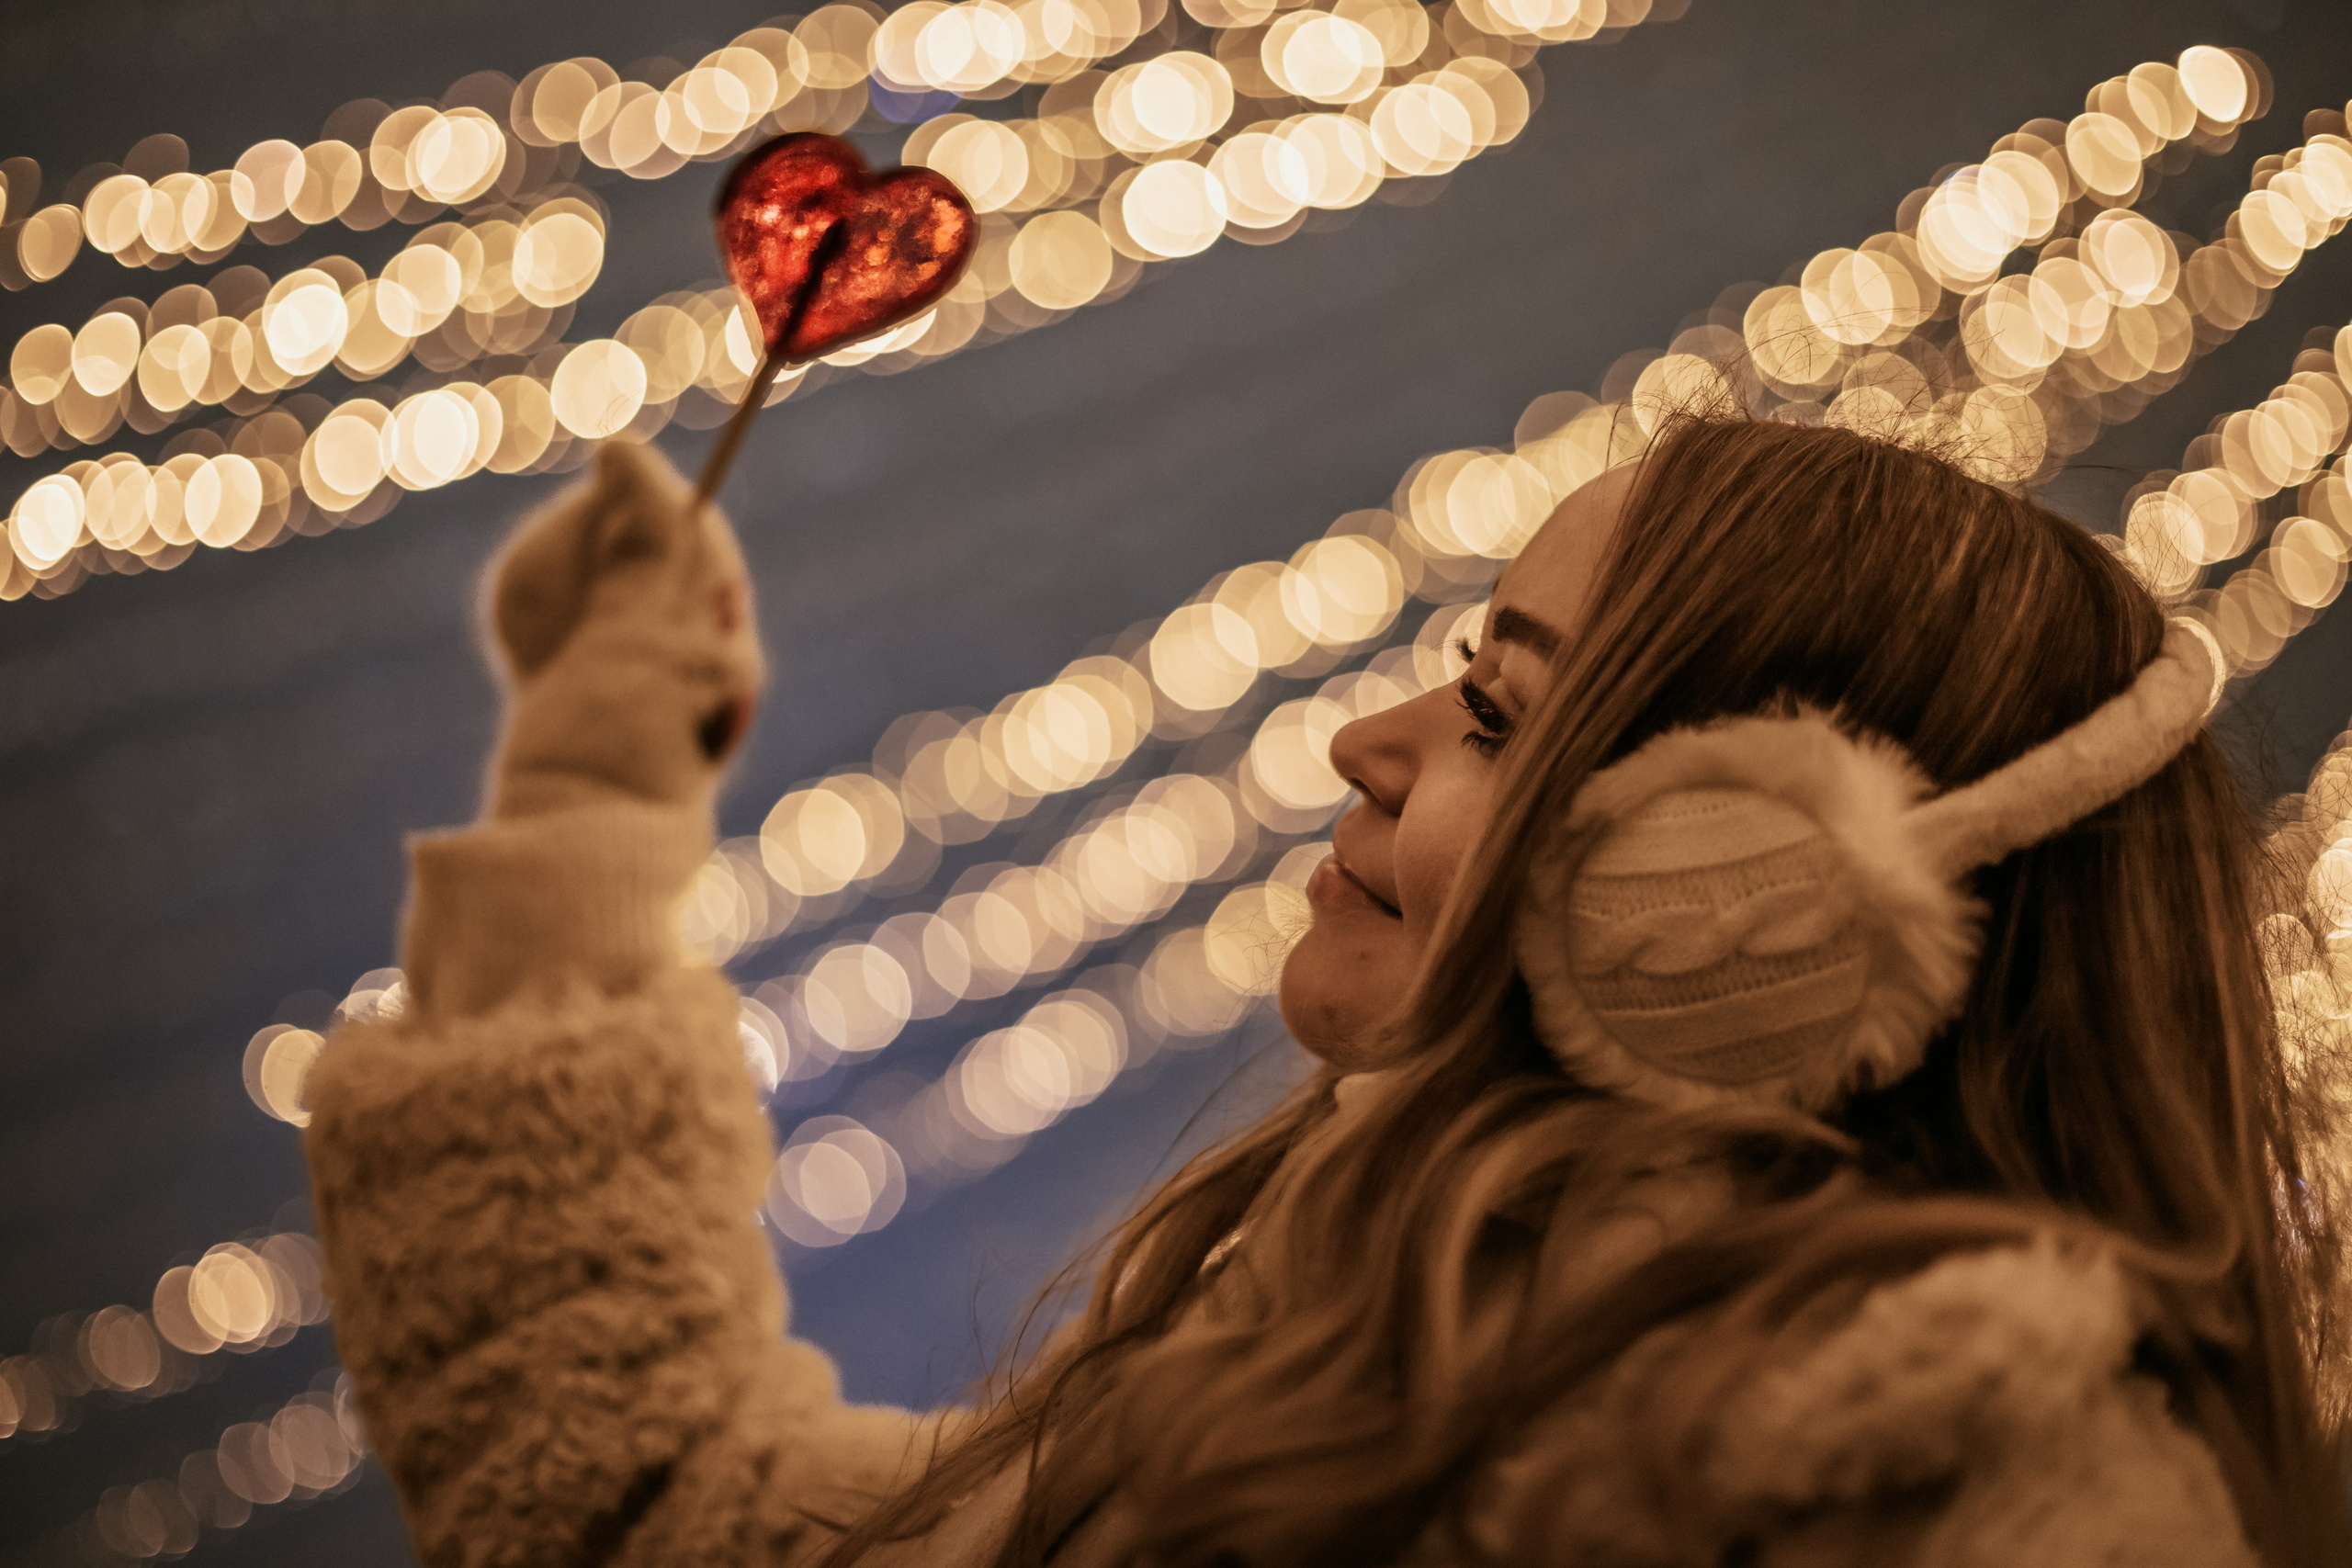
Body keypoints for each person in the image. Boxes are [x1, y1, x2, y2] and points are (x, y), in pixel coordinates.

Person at [303, 413, 2349, 1568]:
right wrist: (587, 780)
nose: (1356, 744)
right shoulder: (1339, 1333)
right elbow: (659, 1508)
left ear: (1734, 887)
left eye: (1489, 708)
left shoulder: (1977, 1516)